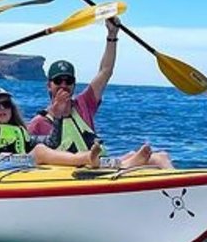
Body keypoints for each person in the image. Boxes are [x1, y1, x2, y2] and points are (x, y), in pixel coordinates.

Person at [27, 18, 174, 169]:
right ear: (49, 86)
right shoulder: (38, 123)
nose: (63, 86)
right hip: (69, 173)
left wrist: (112, 34)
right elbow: (29, 156)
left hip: (102, 164)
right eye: (58, 81)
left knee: (161, 157)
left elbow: (105, 71)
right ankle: (118, 164)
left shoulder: (83, 104)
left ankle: (178, 186)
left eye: (68, 81)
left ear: (74, 85)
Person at [0, 51, 102, 168]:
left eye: (6, 104)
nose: (2, 108)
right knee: (39, 151)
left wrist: (57, 116)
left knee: (42, 148)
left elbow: (52, 142)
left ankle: (99, 159)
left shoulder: (20, 132)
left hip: (19, 170)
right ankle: (87, 158)